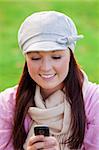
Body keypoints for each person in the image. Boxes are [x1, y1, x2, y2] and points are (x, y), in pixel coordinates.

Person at [0, 11, 99, 150]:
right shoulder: (7, 104)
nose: (46, 68)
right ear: (26, 59)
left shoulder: (94, 102)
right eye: (35, 58)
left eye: (56, 57)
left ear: (70, 56)